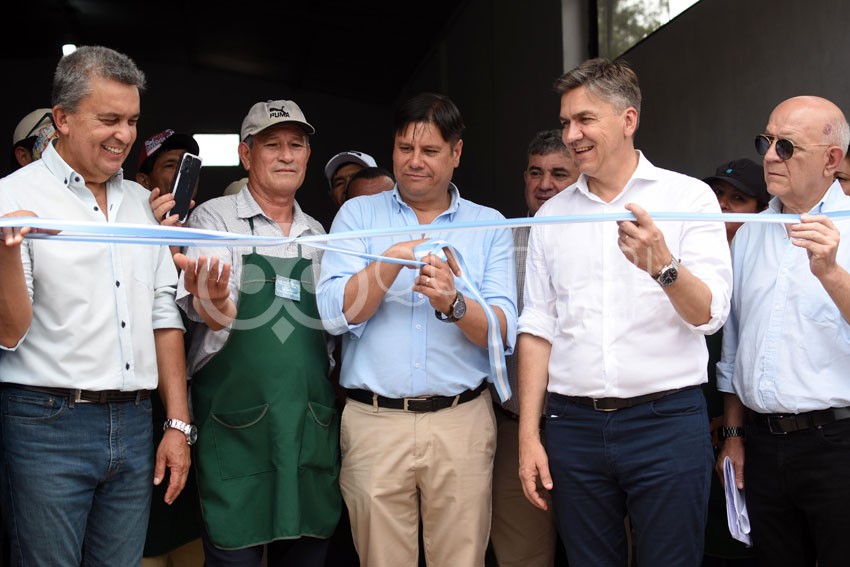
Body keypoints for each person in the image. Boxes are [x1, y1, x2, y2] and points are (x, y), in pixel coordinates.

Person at [517, 57, 732, 567]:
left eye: (585, 119)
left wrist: (663, 267)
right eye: (566, 121)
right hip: (572, 425)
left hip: (668, 422)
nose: (571, 134)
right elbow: (537, 327)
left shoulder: (689, 199)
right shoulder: (552, 214)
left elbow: (711, 315)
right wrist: (530, 435)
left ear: (628, 120)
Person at [0, 45, 191, 566]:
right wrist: (5, 254)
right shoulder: (12, 200)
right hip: (46, 423)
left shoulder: (137, 203)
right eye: (108, 119)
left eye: (131, 120)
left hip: (133, 425)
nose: (124, 135)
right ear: (61, 118)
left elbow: (162, 312)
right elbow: (9, 334)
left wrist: (177, 424)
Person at [316, 92, 517, 567]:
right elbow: (331, 312)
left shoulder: (488, 225)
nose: (415, 162)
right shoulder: (357, 216)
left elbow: (503, 330)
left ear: (457, 153)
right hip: (374, 423)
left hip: (460, 422)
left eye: (429, 151)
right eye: (405, 148)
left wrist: (454, 303)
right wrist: (391, 264)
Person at [175, 99, 340, 566]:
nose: (286, 155)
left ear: (308, 155)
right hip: (236, 431)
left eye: (296, 145)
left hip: (307, 427)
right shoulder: (214, 219)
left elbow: (336, 325)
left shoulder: (320, 234)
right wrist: (214, 296)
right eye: (272, 145)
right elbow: (210, 313)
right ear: (246, 155)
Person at [717, 96, 850, 567]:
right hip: (763, 443)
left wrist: (831, 272)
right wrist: (734, 434)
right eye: (766, 141)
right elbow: (733, 348)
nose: (770, 156)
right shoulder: (751, 232)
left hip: (838, 443)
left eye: (787, 146)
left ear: (832, 160)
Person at [490, 128, 577, 567]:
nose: (545, 184)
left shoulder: (605, 235)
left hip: (587, 426)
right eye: (536, 173)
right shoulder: (499, 240)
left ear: (581, 176)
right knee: (522, 555)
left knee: (601, 551)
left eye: (559, 173)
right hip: (513, 425)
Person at [133, 128, 205, 566]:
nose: (180, 174)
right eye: (168, 165)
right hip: (140, 401)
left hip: (195, 404)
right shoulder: (126, 230)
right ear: (143, 182)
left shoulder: (214, 230)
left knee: (188, 521)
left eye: (188, 167)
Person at [701, 158, 768, 567]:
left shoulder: (765, 269)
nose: (722, 205)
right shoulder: (682, 259)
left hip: (747, 434)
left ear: (763, 213)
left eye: (737, 199)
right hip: (687, 425)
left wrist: (731, 428)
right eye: (716, 195)